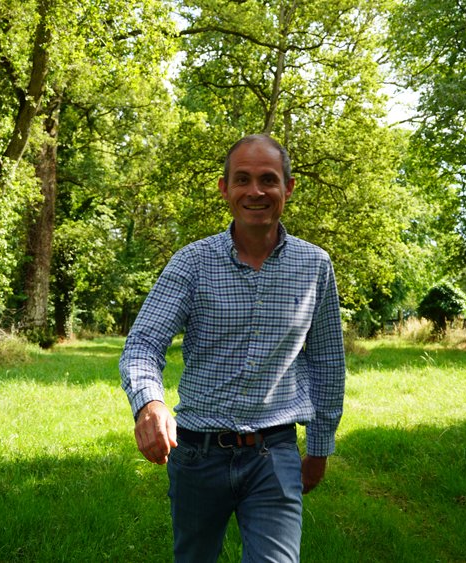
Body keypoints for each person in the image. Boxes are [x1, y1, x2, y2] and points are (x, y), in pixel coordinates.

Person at [119, 134, 346, 563]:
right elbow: (143, 343)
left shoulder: (315, 265)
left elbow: (327, 362)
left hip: (274, 452)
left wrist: (320, 448)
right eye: (242, 179)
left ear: (288, 188)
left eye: (268, 179)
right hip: (196, 453)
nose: (255, 191)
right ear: (225, 189)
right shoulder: (192, 262)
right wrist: (150, 403)